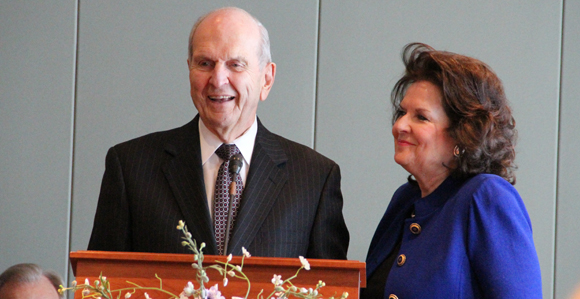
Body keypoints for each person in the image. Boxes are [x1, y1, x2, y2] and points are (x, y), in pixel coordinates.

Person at [87, 7, 349, 259]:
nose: (218, 79)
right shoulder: (131, 167)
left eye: (235, 65)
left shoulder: (314, 180)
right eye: (205, 63)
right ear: (189, 69)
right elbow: (100, 284)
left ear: (266, 79)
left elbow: (333, 288)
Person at [362, 43, 542, 298]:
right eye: (402, 112)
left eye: (421, 117)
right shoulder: (404, 200)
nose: (399, 125)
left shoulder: (486, 197)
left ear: (463, 133)